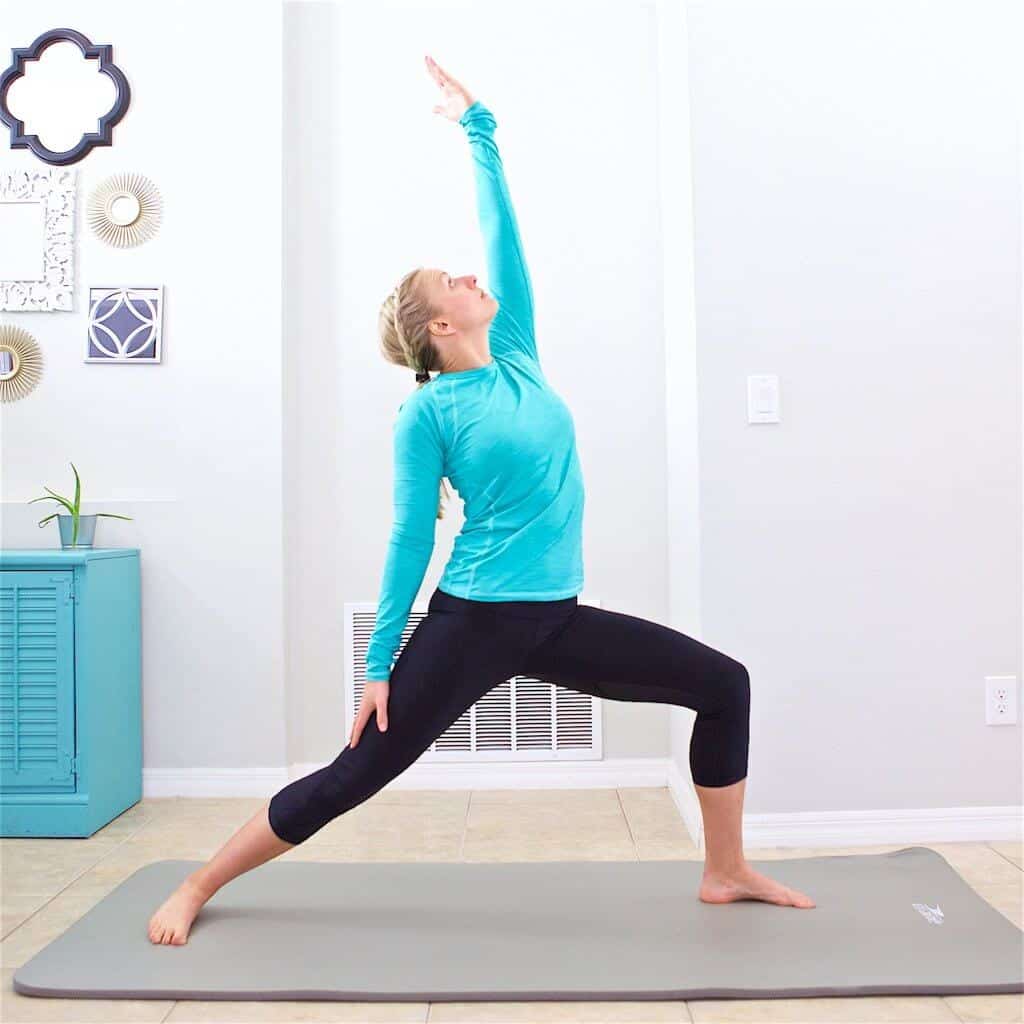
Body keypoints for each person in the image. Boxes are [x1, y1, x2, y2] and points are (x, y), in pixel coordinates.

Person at [148, 54, 814, 946]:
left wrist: (479, 126)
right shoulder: (426, 412)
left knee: (722, 685)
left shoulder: (519, 354)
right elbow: (406, 538)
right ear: (438, 326)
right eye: (450, 283)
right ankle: (199, 884)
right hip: (474, 623)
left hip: (558, 619)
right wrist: (380, 661)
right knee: (357, 774)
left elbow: (504, 235)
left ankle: (725, 870)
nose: (470, 277)